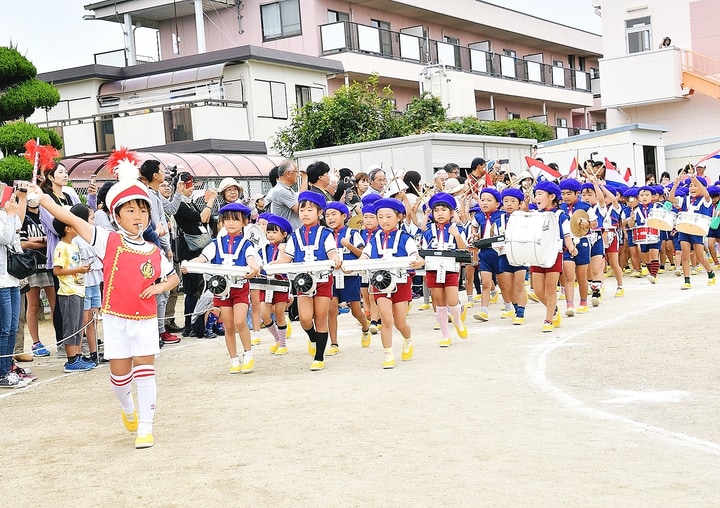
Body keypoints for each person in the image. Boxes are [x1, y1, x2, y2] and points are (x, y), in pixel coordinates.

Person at [31, 149, 180, 450]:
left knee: (145, 372)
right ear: (116, 214)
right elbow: (65, 215)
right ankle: (128, 410)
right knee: (120, 378)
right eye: (130, 211)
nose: (138, 216)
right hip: (115, 321)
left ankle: (146, 428)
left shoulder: (154, 250)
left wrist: (160, 288)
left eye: (143, 210)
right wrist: (42, 197)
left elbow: (174, 276)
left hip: (145, 320)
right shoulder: (106, 239)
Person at [182, 202, 260, 374]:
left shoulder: (247, 244)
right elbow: (202, 258)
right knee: (229, 326)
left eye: (235, 220)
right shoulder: (216, 243)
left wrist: (253, 267)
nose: (231, 223)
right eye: (227, 220)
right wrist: (188, 264)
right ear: (222, 222)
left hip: (239, 288)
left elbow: (251, 260)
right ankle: (233, 359)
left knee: (240, 321)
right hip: (222, 290)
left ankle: (248, 354)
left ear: (244, 222)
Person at [273, 191, 340, 371]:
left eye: (310, 210)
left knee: (320, 317)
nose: (305, 213)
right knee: (304, 319)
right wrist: (271, 265)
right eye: (302, 210)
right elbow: (286, 258)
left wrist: (335, 259)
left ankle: (319, 357)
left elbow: (332, 252)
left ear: (319, 212)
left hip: (324, 281)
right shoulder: (294, 236)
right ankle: (312, 338)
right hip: (303, 282)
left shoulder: (326, 233)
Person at [359, 198, 424, 368]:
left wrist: (417, 261)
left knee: (400, 322)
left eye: (389, 216)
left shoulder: (406, 238)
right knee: (386, 319)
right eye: (380, 217)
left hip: (401, 282)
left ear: (399, 217)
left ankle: (408, 340)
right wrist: (353, 266)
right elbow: (364, 256)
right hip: (380, 282)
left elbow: (415, 255)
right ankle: (388, 354)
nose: (384, 221)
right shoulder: (374, 239)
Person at [420, 192, 468, 347]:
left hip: (451, 269)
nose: (440, 213)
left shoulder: (456, 229)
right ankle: (445, 334)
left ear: (451, 213)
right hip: (432, 270)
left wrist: (457, 236)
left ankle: (458, 321)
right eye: (436, 210)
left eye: (444, 210)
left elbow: (464, 249)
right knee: (439, 303)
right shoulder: (428, 231)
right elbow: (422, 250)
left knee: (453, 300)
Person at [174, 172, 217, 337]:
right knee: (192, 290)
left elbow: (203, 220)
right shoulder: (179, 205)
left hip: (197, 247)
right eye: (188, 185)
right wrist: (211, 200)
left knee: (200, 286)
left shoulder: (189, 202)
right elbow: (202, 217)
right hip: (189, 249)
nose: (191, 188)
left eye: (192, 184)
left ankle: (199, 324)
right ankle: (189, 326)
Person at [52, 207, 95, 372]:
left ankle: (77, 356)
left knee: (78, 326)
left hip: (78, 289)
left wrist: (81, 270)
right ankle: (71, 360)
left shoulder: (73, 246)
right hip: (68, 292)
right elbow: (57, 270)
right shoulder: (61, 247)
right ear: (67, 228)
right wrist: (78, 270)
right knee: (71, 326)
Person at [325, 201, 370, 353]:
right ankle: (334, 343)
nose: (330, 218)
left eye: (333, 214)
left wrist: (349, 245)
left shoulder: (353, 233)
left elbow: (362, 254)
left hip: (350, 277)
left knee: (356, 311)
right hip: (331, 276)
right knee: (332, 309)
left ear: (344, 216)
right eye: (327, 215)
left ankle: (365, 327)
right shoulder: (325, 234)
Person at [530, 182, 574, 332]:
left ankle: (548, 319)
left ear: (552, 196)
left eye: (540, 194)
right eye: (535, 195)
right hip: (536, 253)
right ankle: (553, 309)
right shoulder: (535, 214)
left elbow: (567, 235)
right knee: (537, 290)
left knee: (550, 288)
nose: (536, 198)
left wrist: (572, 248)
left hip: (555, 253)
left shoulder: (561, 215)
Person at [18, 189, 54, 357]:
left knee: (55, 303)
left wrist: (36, 241)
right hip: (32, 265)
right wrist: (42, 241)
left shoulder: (45, 214)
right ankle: (36, 342)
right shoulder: (23, 216)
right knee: (33, 304)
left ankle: (59, 338)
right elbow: (22, 243)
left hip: (48, 263)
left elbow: (53, 234)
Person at [0, 186, 30, 388]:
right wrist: (10, 215)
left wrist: (20, 201)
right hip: (1, 280)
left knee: (12, 327)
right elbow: (5, 238)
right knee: (4, 329)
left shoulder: (6, 213)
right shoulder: (5, 215)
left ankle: (8, 366)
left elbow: (17, 227)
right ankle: (2, 372)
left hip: (11, 278)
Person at [471, 188, 513, 322]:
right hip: (484, 253)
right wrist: (474, 235)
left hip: (499, 253)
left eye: (489, 200)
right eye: (482, 200)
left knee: (504, 284)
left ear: (497, 203)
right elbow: (474, 228)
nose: (484, 203)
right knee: (486, 283)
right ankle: (484, 311)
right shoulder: (478, 216)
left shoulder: (502, 215)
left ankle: (509, 307)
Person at [668, 173, 716, 289]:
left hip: (697, 229)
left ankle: (710, 273)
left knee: (700, 256)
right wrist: (675, 184)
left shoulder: (705, 200)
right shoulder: (685, 199)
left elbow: (706, 194)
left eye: (695, 186)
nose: (692, 188)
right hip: (684, 228)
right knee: (685, 255)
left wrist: (696, 179)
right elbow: (671, 199)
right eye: (690, 186)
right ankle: (687, 280)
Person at [70, 204, 105, 365]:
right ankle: (77, 355)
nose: (94, 222)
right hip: (82, 284)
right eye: (91, 218)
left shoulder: (94, 238)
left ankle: (94, 353)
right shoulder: (75, 240)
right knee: (82, 321)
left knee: (93, 320)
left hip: (94, 283)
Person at [559, 178, 596, 316]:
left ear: (577, 193)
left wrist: (587, 224)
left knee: (582, 277)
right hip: (566, 244)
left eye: (569, 193)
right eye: (563, 193)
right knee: (569, 276)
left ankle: (583, 301)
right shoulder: (560, 209)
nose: (565, 196)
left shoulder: (586, 207)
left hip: (583, 242)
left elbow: (595, 224)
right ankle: (569, 304)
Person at [259, 215, 292, 355]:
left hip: (280, 283)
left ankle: (283, 344)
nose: (271, 235)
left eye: (274, 232)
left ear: (284, 234)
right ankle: (277, 339)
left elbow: (286, 260)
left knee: (279, 314)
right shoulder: (264, 248)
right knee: (264, 315)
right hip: (266, 283)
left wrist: (273, 263)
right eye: (269, 232)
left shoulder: (284, 247)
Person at [499, 188, 529, 324]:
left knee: (519, 284)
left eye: (513, 201)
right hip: (503, 254)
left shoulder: (524, 217)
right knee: (507, 286)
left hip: (519, 253)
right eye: (506, 201)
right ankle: (516, 308)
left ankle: (521, 312)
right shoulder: (499, 217)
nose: (509, 204)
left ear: (519, 203)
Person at [270, 159, 305, 230]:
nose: (298, 175)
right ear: (288, 173)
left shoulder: (286, 189)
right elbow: (300, 209)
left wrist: (305, 178)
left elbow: (302, 198)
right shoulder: (281, 191)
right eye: (296, 172)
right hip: (289, 233)